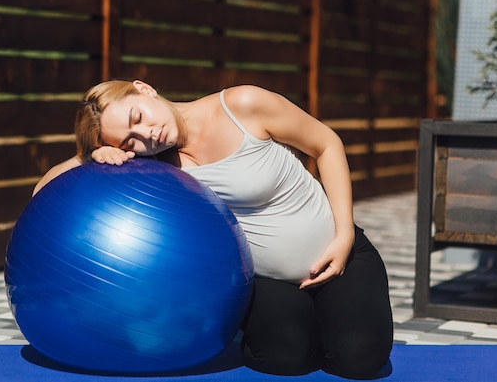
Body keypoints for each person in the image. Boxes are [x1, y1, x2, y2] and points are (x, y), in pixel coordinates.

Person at [34, 80, 394, 378]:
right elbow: (42, 191)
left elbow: (327, 143)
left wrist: (344, 234)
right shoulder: (158, 163)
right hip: (268, 282)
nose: (146, 134)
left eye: (137, 117)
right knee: (284, 359)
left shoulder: (242, 104)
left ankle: (336, 320)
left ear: (144, 89)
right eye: (129, 141)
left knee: (360, 361)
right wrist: (91, 156)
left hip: (341, 255)